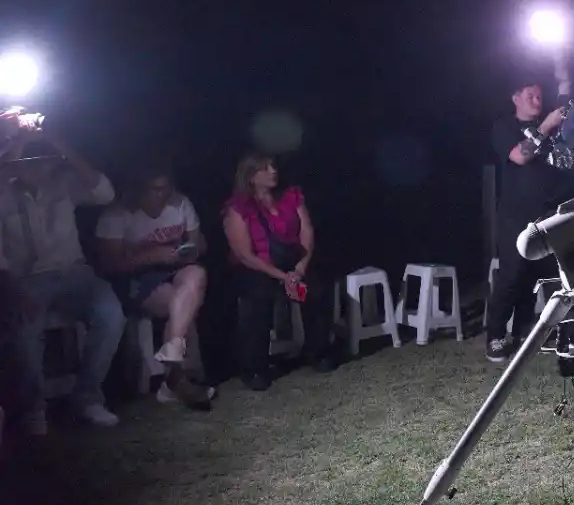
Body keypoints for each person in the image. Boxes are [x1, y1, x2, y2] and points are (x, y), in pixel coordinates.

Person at [0, 123, 126, 434]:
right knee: (25, 327)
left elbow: (104, 191)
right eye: (31, 159)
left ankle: (87, 398)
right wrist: (16, 143)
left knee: (111, 314)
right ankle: (32, 409)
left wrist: (56, 139)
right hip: (26, 279)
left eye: (41, 158)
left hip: (74, 274)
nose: (38, 164)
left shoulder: (63, 182)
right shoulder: (4, 190)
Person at [94, 164, 214, 409]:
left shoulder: (180, 204)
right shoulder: (117, 215)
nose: (164, 195)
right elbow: (109, 265)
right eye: (156, 190)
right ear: (139, 191)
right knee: (181, 302)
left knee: (197, 275)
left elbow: (198, 243)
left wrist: (190, 250)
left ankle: (172, 366)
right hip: (137, 279)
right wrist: (152, 257)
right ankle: (177, 378)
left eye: (167, 189)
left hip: (174, 269)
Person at [222, 152, 336, 390]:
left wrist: (299, 270)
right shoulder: (238, 208)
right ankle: (255, 368)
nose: (273, 171)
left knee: (315, 289)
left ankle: (318, 352)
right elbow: (245, 255)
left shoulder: (291, 196)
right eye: (265, 168)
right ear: (252, 177)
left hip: (293, 265)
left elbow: (307, 232)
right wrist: (283, 277)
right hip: (258, 268)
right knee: (258, 296)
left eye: (273, 167)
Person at [485, 79, 570, 363]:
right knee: (510, 276)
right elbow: (518, 157)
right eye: (530, 96)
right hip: (514, 216)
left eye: (539, 95)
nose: (537, 100)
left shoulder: (552, 132)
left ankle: (522, 332)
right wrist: (545, 126)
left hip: (546, 214)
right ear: (515, 98)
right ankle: (495, 336)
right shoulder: (504, 127)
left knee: (535, 276)